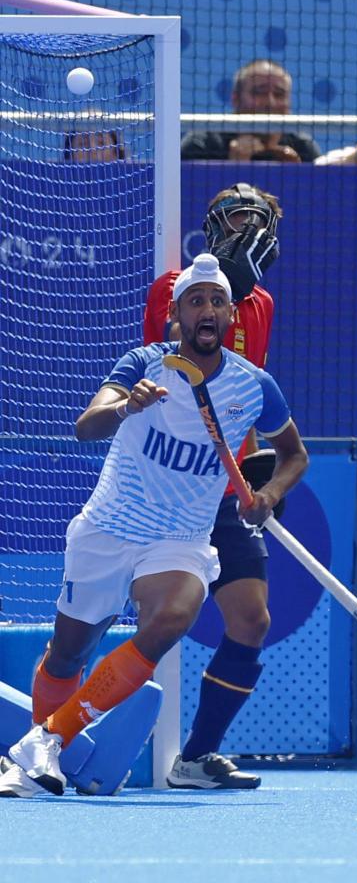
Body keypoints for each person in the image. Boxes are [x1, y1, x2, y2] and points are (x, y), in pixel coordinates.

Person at [0, 254, 307, 799]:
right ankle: (37, 761)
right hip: (109, 529)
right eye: (196, 301)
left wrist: (270, 494)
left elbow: (293, 454)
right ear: (177, 314)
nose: (207, 309)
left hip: (179, 540)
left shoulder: (254, 386)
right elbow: (86, 426)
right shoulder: (143, 363)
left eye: (217, 301)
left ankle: (45, 739)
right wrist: (125, 406)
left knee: (172, 617)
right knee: (68, 652)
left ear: (230, 315)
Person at [140, 183, 283, 790]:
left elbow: (247, 392)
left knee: (251, 620)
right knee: (141, 621)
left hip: (221, 493)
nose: (247, 232)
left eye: (257, 225)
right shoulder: (172, 288)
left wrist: (262, 480)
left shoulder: (261, 303)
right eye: (236, 222)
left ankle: (197, 757)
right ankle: (60, 731)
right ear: (213, 229)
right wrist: (226, 279)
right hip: (160, 489)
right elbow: (166, 362)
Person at [181, 60, 320, 163]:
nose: (270, 102)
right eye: (259, 92)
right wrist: (233, 168)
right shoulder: (201, 145)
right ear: (236, 99)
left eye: (279, 94)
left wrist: (296, 176)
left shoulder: (303, 148)